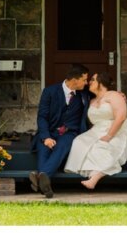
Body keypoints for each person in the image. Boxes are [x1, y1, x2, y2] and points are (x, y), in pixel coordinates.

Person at [64, 71, 127, 190]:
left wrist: (109, 135)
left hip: (116, 130)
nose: (89, 82)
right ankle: (92, 172)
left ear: (101, 82)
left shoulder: (114, 95)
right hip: (96, 130)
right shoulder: (91, 101)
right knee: (79, 141)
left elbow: (121, 117)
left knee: (101, 146)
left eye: (93, 80)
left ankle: (95, 177)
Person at [30, 64, 91, 198]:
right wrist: (46, 137)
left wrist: (117, 94)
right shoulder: (49, 92)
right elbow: (42, 117)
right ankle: (45, 186)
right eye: (84, 80)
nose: (86, 83)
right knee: (43, 149)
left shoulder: (84, 94)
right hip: (49, 132)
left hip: (70, 133)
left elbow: (103, 93)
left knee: (62, 146)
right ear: (75, 79)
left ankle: (41, 178)